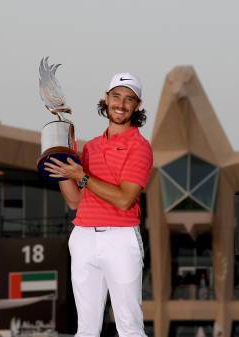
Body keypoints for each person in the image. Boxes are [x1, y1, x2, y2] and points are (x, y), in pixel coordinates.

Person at [44, 72, 153, 337]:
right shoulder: (91, 148)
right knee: (86, 329)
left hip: (121, 239)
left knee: (129, 327)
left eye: (129, 99)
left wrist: (81, 176)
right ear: (106, 99)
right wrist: (63, 162)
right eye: (116, 96)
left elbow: (125, 199)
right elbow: (74, 200)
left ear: (137, 105)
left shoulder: (140, 147)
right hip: (83, 237)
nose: (121, 104)